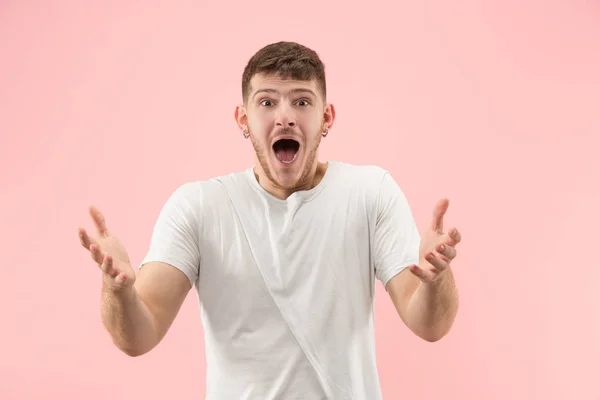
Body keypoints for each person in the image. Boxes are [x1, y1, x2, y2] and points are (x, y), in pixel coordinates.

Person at [78, 41, 461, 399]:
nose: (285, 117)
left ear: (326, 117)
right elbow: (138, 336)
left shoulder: (370, 192)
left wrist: (437, 278)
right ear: (243, 119)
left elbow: (430, 325)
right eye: (266, 102)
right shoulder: (198, 207)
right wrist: (118, 292)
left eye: (301, 101)